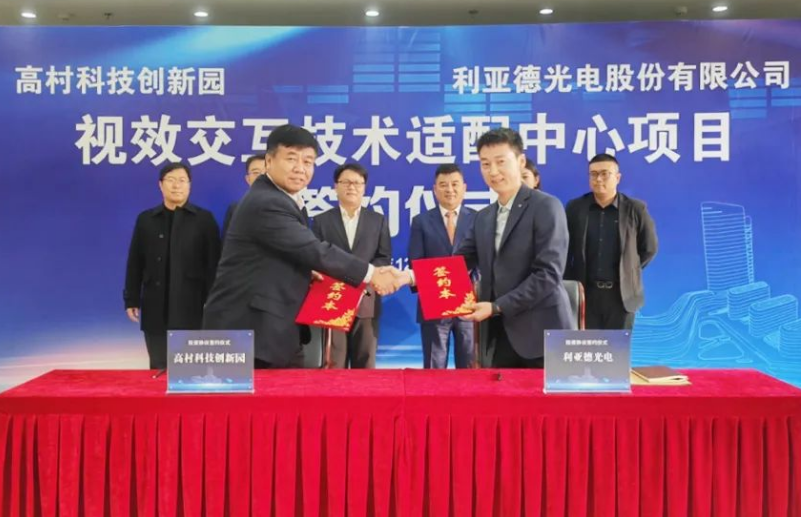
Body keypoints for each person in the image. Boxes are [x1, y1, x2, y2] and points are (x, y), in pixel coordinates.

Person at [202, 124, 404, 368]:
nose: (300, 168)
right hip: (250, 333)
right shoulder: (267, 202)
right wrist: (372, 274)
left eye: (308, 161)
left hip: (269, 331)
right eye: (291, 158)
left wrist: (307, 273)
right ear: (269, 161)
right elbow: (314, 250)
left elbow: (282, 254)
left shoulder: (284, 200)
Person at [459, 128, 574, 368]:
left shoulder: (546, 206)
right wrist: (410, 277)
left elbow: (548, 274)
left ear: (521, 162)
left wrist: (497, 306)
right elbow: (457, 263)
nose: (493, 171)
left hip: (542, 335)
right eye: (485, 164)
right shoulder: (483, 217)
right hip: (499, 335)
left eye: (501, 162)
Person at [124, 162, 221, 369]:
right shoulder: (146, 219)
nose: (177, 185)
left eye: (182, 180)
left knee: (189, 369)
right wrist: (131, 298)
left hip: (192, 306)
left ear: (189, 185)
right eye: (171, 180)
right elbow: (135, 262)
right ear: (160, 185)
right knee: (159, 365)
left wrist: (213, 301)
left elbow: (214, 264)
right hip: (155, 305)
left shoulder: (204, 219)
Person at [565, 153, 658, 330]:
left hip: (622, 296)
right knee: (586, 346)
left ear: (617, 177)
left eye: (604, 174)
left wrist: (628, 270)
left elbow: (649, 248)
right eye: (593, 174)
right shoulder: (575, 208)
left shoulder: (635, 208)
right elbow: (564, 249)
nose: (598, 179)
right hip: (585, 294)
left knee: (617, 347)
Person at [312, 163, 391, 368]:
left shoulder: (377, 221)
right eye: (346, 182)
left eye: (357, 183)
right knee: (334, 362)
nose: (351, 187)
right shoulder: (321, 221)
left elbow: (383, 257)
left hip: (366, 299)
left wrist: (364, 278)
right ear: (335, 186)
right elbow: (316, 258)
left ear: (364, 188)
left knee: (365, 362)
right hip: (333, 299)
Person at [408, 164, 477, 368]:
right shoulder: (421, 221)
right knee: (434, 367)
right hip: (434, 304)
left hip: (469, 305)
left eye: (455, 184)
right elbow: (416, 262)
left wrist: (472, 286)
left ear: (464, 188)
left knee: (470, 366)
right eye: (443, 185)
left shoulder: (478, 219)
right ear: (435, 189)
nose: (450, 189)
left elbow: (484, 261)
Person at [221, 154, 265, 238]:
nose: (261, 177)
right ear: (248, 179)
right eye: (256, 173)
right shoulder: (236, 209)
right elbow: (227, 242)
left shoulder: (288, 205)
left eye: (267, 172)